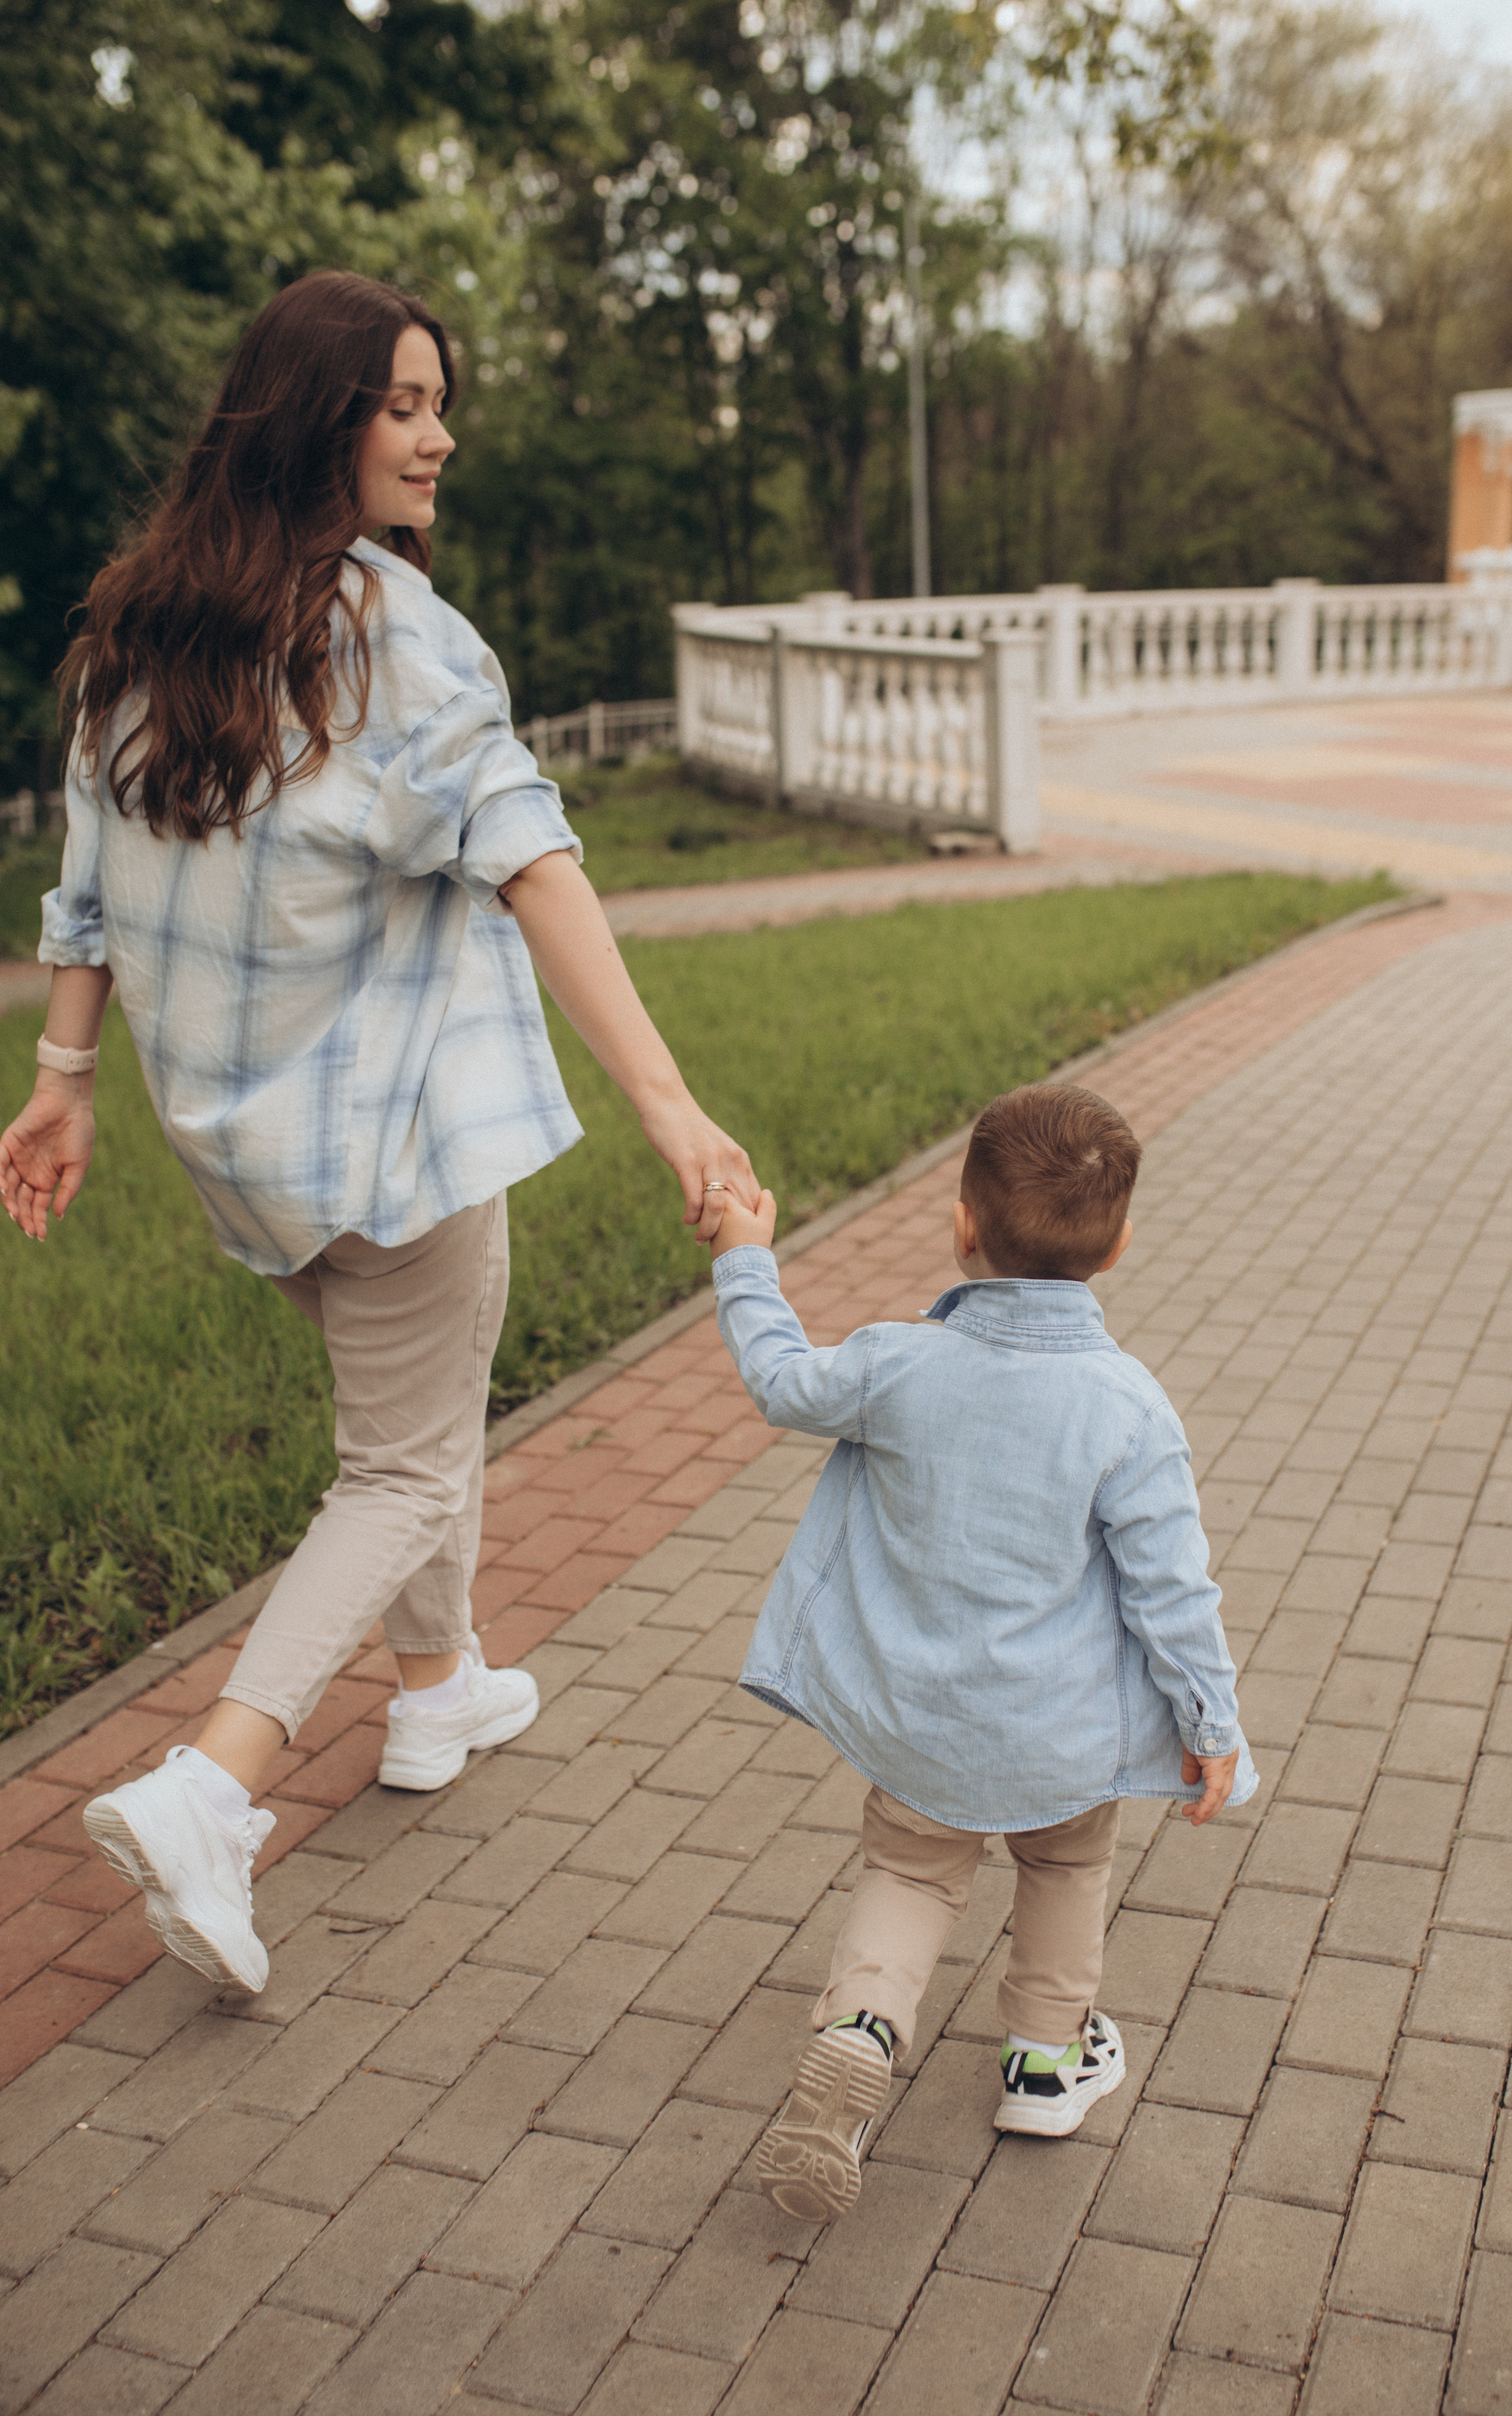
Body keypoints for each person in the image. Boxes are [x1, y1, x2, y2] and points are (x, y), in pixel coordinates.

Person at [0, 271, 756, 1997]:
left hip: (241, 1150)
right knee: (403, 1461)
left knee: (417, 1417)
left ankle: (440, 1694)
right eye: (407, 403)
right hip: (396, 1144)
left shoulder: (138, 621)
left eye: (441, 402)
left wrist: (62, 1079)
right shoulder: (395, 638)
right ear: (321, 418)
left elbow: (86, 872)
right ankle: (215, 1786)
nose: (441, 434)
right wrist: (670, 1103)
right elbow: (536, 860)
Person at [704, 1080, 1254, 2222]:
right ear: (1121, 1246)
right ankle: (1047, 2069)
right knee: (1062, 1871)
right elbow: (1171, 1588)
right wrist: (1211, 1725)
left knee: (910, 1873)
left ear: (963, 1225)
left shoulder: (898, 1364)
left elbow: (779, 1381)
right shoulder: (1128, 1407)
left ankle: (861, 2029)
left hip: (920, 1730)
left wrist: (746, 1258)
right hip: (1060, 1736)